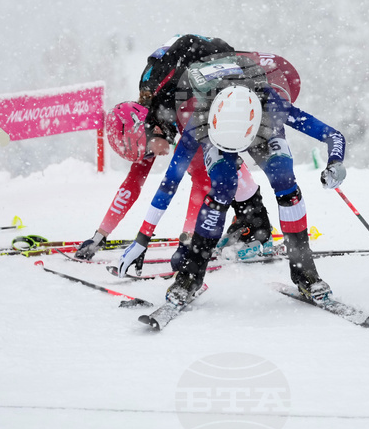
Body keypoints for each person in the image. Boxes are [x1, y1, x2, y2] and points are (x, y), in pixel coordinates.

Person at [115, 52, 347, 306]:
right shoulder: (199, 122)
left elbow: (333, 136)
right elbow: (170, 182)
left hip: (260, 124)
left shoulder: (273, 106)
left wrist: (335, 164)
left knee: (284, 179)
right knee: (223, 185)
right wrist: (142, 239)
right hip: (218, 130)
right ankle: (190, 276)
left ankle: (305, 274)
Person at [74, 35, 277, 263]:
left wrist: (187, 242)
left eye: (148, 151)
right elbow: (132, 184)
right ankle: (250, 222)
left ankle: (257, 229)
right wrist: (100, 235)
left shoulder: (175, 109)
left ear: (148, 130)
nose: (153, 156)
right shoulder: (151, 117)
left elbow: (200, 181)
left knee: (214, 158)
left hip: (219, 73)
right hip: (196, 71)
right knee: (211, 159)